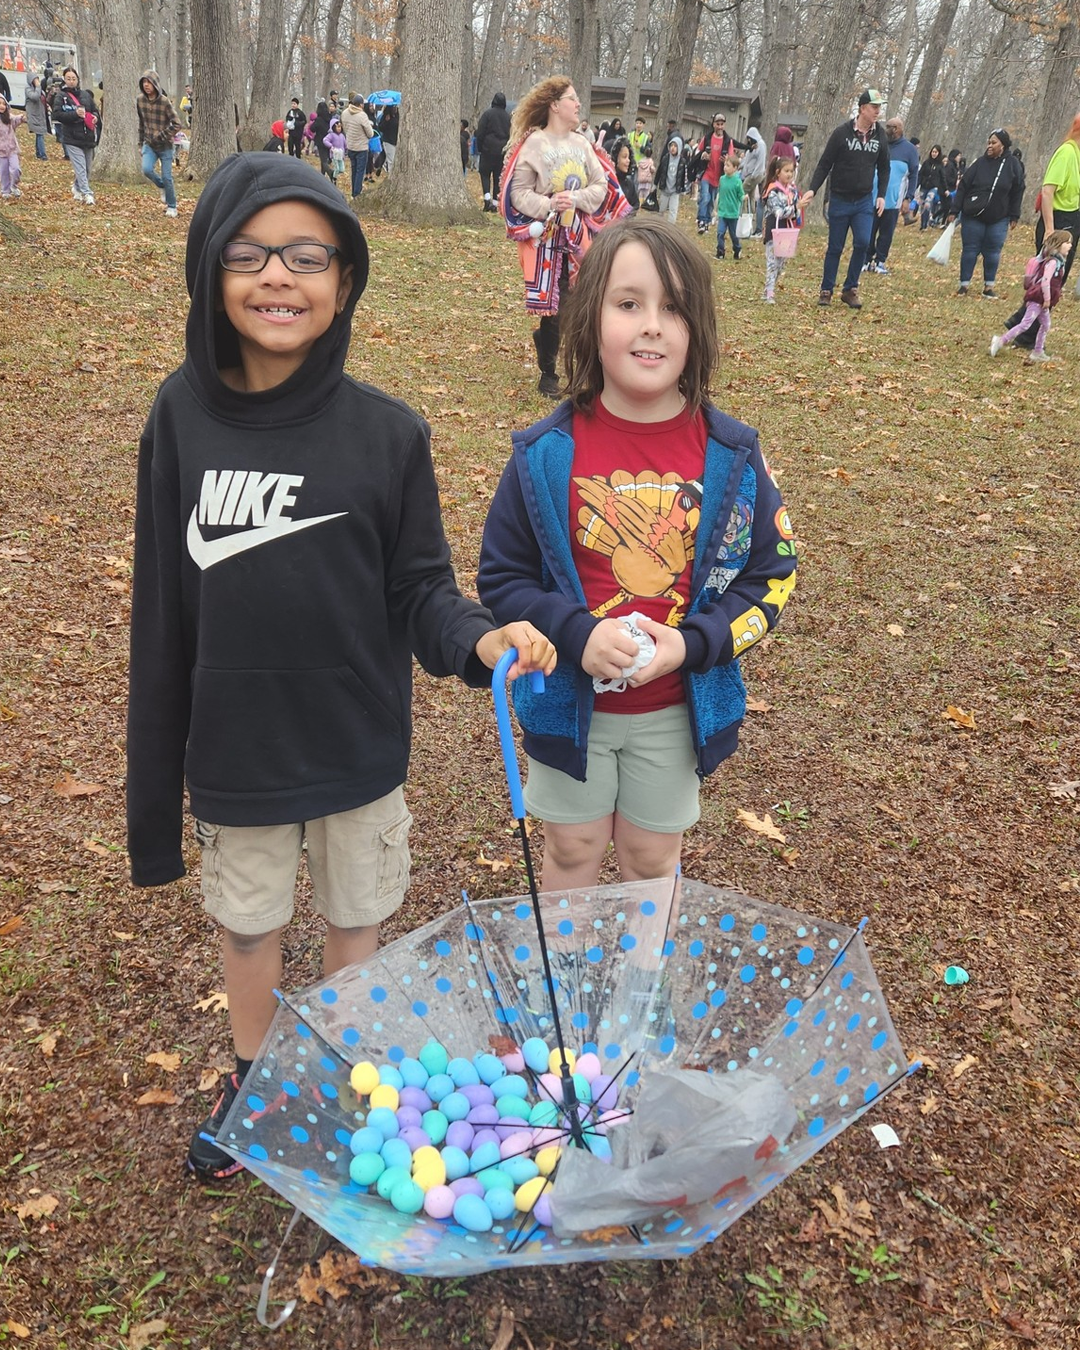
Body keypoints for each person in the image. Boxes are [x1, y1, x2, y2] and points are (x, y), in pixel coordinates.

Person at [125, 153, 556, 1181]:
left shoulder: (386, 434)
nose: (278, 277)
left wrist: (481, 638)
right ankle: (255, 1070)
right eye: (250, 253)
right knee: (249, 925)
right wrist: (156, 790)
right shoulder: (179, 420)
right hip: (238, 750)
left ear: (345, 281)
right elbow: (161, 612)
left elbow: (418, 590)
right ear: (209, 272)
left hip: (359, 742)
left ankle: (340, 1073)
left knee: (356, 918)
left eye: (307, 255)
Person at [477, 215, 796, 892]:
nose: (652, 324)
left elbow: (772, 576)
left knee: (653, 860)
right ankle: (572, 984)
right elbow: (501, 577)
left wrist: (694, 645)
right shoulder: (543, 456)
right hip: (569, 707)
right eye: (629, 304)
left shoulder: (733, 461)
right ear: (589, 317)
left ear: (698, 328)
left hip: (673, 711)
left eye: (673, 308)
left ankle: (639, 988)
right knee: (572, 850)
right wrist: (575, 634)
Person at [500, 76, 625, 399]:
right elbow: (518, 194)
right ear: (555, 105)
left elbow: (600, 186)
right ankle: (549, 373)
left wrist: (579, 198)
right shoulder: (534, 144)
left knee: (581, 301)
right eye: (572, 98)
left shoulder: (583, 144)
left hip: (579, 238)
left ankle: (555, 350)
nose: (578, 104)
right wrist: (549, 204)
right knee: (555, 304)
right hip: (548, 242)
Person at [800, 88, 890, 309]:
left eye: (879, 107)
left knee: (863, 242)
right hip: (840, 199)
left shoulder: (880, 136)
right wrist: (813, 189)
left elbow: (884, 168)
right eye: (874, 107)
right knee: (835, 247)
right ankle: (826, 289)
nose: (877, 111)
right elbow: (825, 164)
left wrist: (881, 196)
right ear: (862, 108)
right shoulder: (841, 133)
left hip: (863, 201)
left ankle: (850, 289)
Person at [949, 128, 1024, 298]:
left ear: (1003, 145)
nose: (989, 146)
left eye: (993, 143)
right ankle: (964, 285)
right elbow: (963, 186)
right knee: (970, 249)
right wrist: (955, 210)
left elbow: (1018, 190)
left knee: (993, 251)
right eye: (988, 142)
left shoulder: (1012, 164)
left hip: (999, 217)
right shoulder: (979, 163)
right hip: (973, 215)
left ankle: (989, 286)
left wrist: (1014, 215)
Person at [989, 229, 1072, 363]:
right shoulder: (1053, 263)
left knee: (1045, 324)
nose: (1070, 246)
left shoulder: (1058, 262)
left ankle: (1038, 351)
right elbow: (1045, 281)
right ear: (1059, 244)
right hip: (1038, 299)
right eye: (1067, 242)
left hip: (1042, 300)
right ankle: (1000, 341)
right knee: (1026, 324)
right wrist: (1047, 299)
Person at [864, 116, 919, 274]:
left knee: (886, 234)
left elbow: (914, 175)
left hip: (893, 201)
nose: (888, 130)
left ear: (899, 129)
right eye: (887, 126)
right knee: (868, 231)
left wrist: (908, 198)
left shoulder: (909, 150)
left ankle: (880, 261)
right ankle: (866, 260)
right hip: (872, 198)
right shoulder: (878, 144)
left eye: (892, 127)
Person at [692, 112, 751, 234]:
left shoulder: (727, 140)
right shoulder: (707, 138)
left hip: (718, 175)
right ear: (713, 124)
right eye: (717, 124)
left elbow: (730, 157)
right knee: (705, 197)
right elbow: (699, 149)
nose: (720, 127)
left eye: (722, 124)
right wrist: (703, 154)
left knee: (711, 200)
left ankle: (707, 222)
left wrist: (726, 161)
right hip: (706, 172)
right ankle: (701, 221)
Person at [136, 70, 182, 218]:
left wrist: (161, 135)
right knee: (147, 169)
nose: (146, 85)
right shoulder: (140, 100)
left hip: (166, 146)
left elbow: (177, 124)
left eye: (149, 82)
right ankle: (161, 186)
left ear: (155, 84)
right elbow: (142, 123)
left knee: (167, 176)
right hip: (149, 144)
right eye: (144, 83)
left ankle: (172, 206)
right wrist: (140, 143)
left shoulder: (164, 102)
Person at [52, 66, 99, 205]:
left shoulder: (86, 95)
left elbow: (95, 110)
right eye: (68, 79)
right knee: (80, 167)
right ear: (64, 80)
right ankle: (87, 194)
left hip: (88, 137)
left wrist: (95, 117)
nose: (71, 81)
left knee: (88, 168)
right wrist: (74, 115)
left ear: (77, 80)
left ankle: (77, 188)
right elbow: (56, 115)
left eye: (73, 79)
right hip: (71, 138)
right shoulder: (61, 96)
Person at [762, 154, 800, 302]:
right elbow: (779, 211)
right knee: (772, 262)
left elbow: (793, 211)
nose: (790, 174)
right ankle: (769, 293)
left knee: (780, 263)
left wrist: (796, 208)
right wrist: (796, 208)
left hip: (787, 230)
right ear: (778, 172)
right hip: (774, 229)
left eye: (791, 171)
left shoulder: (792, 190)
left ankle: (769, 288)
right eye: (787, 171)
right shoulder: (772, 191)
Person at [476, 93, 511, 212]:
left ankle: (487, 199)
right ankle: (495, 204)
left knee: (485, 174)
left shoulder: (488, 114)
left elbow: (480, 132)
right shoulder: (508, 117)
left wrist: (480, 148)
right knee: (497, 177)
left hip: (488, 149)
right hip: (502, 151)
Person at [340, 94, 374, 197]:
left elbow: (345, 128)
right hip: (361, 148)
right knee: (360, 171)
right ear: (360, 105)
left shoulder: (345, 113)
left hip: (350, 146)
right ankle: (357, 193)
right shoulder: (362, 115)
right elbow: (370, 134)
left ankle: (353, 192)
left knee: (354, 170)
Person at [655, 134, 690, 223]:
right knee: (661, 210)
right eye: (671, 145)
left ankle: (670, 227)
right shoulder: (665, 158)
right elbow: (659, 171)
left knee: (673, 210)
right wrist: (655, 184)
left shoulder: (682, 161)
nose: (673, 148)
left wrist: (683, 188)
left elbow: (683, 175)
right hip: (665, 188)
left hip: (675, 190)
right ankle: (660, 225)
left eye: (675, 146)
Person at [715, 155, 744, 261]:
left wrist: (743, 198)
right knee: (720, 232)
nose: (725, 167)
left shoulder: (737, 181)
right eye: (725, 165)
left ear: (735, 168)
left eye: (728, 165)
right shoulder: (722, 179)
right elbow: (720, 193)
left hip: (733, 213)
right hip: (722, 212)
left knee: (733, 235)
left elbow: (740, 194)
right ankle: (720, 251)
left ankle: (737, 249)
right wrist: (717, 208)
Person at [739, 126, 767, 235]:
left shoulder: (761, 145)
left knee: (740, 193)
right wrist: (738, 166)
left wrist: (755, 174)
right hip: (748, 174)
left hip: (754, 175)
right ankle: (748, 218)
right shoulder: (753, 147)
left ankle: (738, 215)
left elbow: (760, 161)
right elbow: (747, 160)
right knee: (750, 197)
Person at [0, 95, 26, 198]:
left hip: (12, 149)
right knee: (4, 172)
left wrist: (22, 118)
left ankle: (14, 186)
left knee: (15, 169)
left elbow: (16, 119)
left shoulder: (9, 118)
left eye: (3, 104)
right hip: (1, 152)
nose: (2, 106)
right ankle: (5, 191)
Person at [918, 145, 947, 229]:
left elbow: (943, 177)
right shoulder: (926, 163)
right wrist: (917, 184)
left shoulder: (940, 165)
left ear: (939, 153)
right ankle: (922, 224)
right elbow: (920, 174)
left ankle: (926, 224)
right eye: (933, 152)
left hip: (933, 187)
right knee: (922, 205)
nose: (934, 154)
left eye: (936, 152)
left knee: (927, 203)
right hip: (924, 186)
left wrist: (945, 189)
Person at [24, 75, 48, 160]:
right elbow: (34, 97)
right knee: (40, 134)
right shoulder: (28, 89)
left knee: (40, 134)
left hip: (40, 114)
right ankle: (42, 154)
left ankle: (39, 153)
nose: (37, 81)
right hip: (34, 115)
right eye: (35, 79)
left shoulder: (39, 89)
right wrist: (38, 86)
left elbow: (43, 98)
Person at [612, 137, 639, 210]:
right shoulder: (609, 182)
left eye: (629, 157)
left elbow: (635, 204)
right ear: (616, 158)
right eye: (624, 157)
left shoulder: (630, 184)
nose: (628, 161)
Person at [311, 99, 333, 177]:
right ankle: (323, 174)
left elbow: (312, 128)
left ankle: (329, 172)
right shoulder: (330, 118)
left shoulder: (318, 120)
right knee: (326, 158)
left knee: (323, 160)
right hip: (330, 140)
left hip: (321, 141)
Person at [323, 115, 346, 183]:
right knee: (337, 168)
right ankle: (334, 178)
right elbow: (325, 140)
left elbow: (345, 144)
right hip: (334, 155)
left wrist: (346, 150)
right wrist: (331, 146)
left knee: (342, 169)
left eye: (340, 127)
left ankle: (333, 174)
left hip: (341, 154)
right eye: (337, 127)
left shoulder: (342, 136)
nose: (339, 128)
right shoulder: (331, 135)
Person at [379, 103, 398, 174]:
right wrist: (386, 121)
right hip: (388, 141)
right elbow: (380, 128)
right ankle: (390, 173)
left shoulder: (397, 116)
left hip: (396, 140)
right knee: (391, 159)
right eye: (393, 107)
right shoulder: (385, 117)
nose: (395, 108)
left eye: (395, 107)